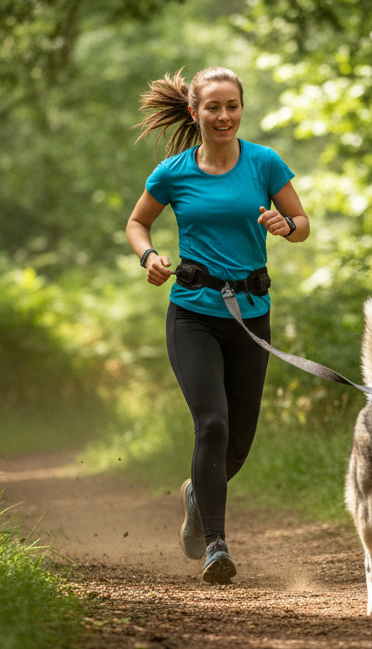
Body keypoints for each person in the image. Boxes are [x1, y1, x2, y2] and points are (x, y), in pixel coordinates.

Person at [125, 66, 309, 584]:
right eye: (213, 107)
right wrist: (150, 257)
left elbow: (302, 226)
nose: (223, 115)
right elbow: (137, 223)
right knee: (213, 423)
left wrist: (285, 224)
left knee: (239, 442)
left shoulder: (265, 164)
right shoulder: (173, 172)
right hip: (194, 314)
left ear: (241, 109)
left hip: (250, 315)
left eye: (232, 106)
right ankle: (216, 545)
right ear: (195, 111)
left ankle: (194, 492)